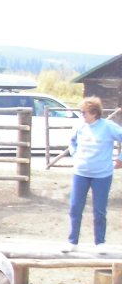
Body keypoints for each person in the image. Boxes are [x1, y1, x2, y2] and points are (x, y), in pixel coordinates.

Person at [55, 96, 122, 253]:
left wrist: (120, 159)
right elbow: (72, 142)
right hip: (81, 173)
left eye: (84, 112)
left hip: (102, 175)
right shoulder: (80, 126)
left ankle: (100, 242)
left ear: (94, 113)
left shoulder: (107, 127)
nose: (82, 115)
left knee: (99, 209)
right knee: (75, 207)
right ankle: (72, 241)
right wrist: (75, 154)